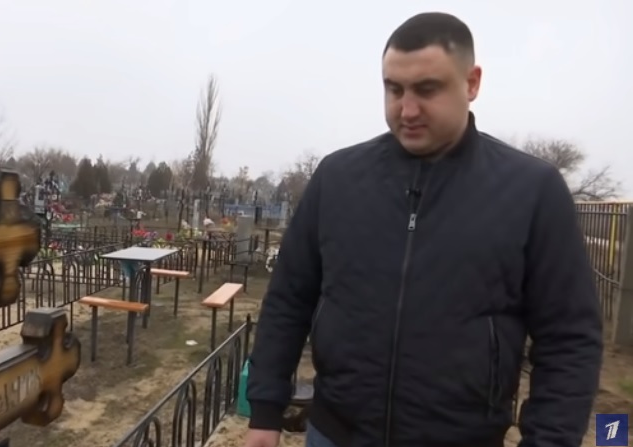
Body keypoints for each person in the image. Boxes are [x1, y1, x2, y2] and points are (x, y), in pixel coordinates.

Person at [244, 12, 602, 447]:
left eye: (427, 89)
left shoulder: (532, 191)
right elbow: (289, 298)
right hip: (336, 433)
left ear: (472, 83)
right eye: (394, 89)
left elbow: (569, 337)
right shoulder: (337, 178)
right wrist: (264, 411)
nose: (407, 109)